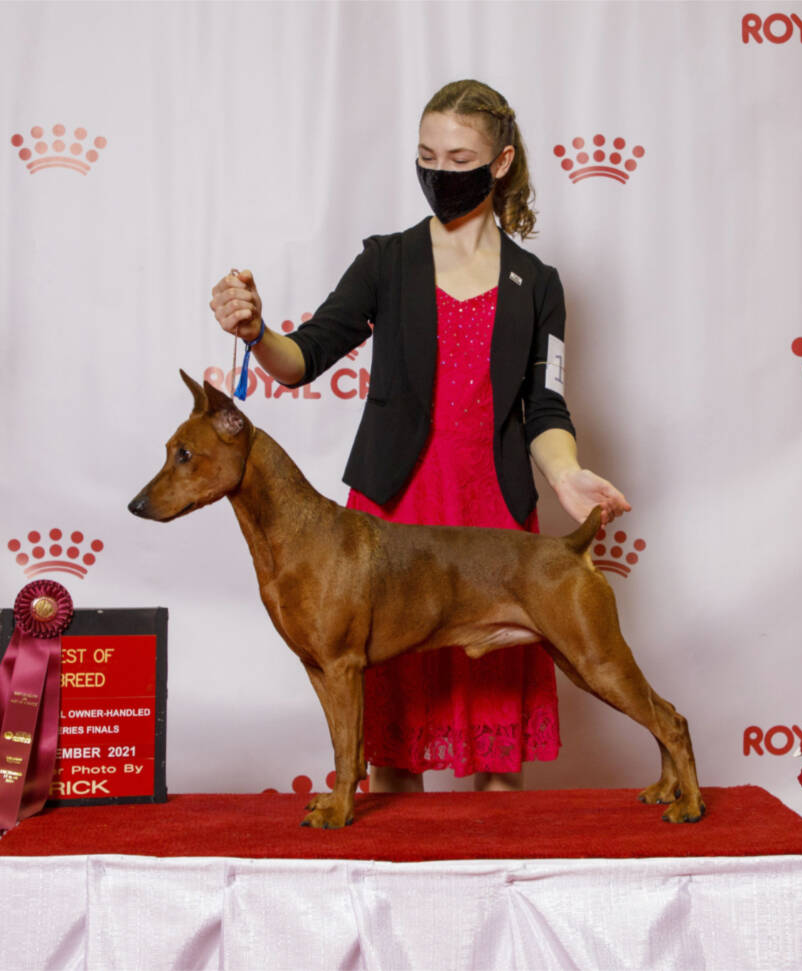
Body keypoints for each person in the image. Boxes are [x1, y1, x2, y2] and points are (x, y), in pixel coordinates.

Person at [209, 79, 629, 795]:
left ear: (499, 163)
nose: (439, 171)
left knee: (497, 764)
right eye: (426, 154)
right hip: (389, 520)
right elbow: (303, 357)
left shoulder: (539, 283)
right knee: (392, 758)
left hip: (492, 518)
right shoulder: (387, 260)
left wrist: (567, 477)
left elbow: (546, 406)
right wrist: (256, 332)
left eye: (459, 157)